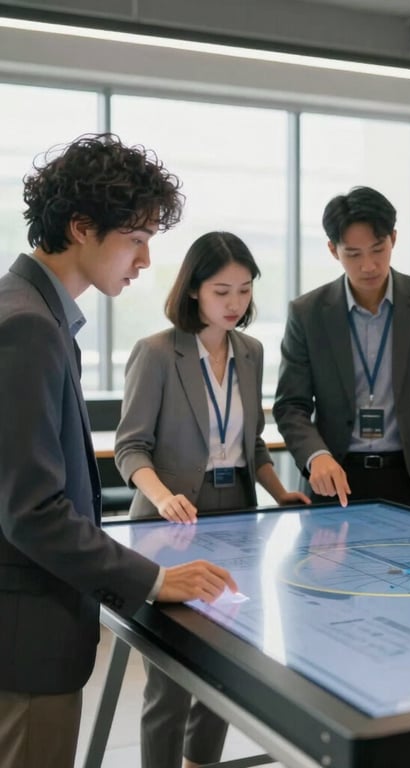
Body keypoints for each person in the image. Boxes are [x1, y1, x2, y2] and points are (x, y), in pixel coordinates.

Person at [0, 134, 237, 768]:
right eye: (135, 238)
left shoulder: (35, 314)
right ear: (81, 227)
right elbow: (32, 510)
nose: (145, 260)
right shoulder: (27, 325)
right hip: (25, 643)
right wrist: (156, 579)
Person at [115, 231, 310, 768]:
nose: (234, 304)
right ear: (194, 289)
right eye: (222, 291)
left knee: (226, 665)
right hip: (169, 524)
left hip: (240, 518)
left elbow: (251, 445)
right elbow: (131, 447)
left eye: (244, 291)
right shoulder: (156, 352)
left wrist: (280, 492)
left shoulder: (250, 352)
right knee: (173, 673)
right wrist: (163, 497)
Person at [273, 186, 410, 511]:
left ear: (393, 238)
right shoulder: (308, 313)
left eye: (378, 249)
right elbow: (291, 405)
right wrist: (316, 457)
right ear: (334, 250)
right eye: (353, 254)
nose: (369, 266)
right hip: (334, 481)